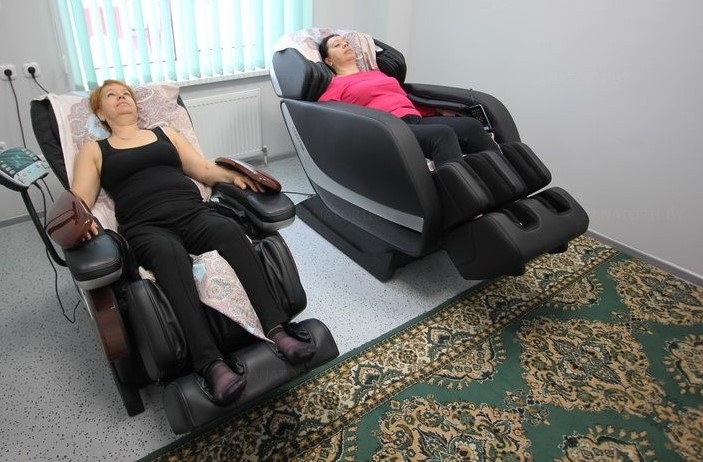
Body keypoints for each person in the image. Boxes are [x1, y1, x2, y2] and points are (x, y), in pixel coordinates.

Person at [71, 80, 316, 405]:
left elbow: (202, 169)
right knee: (168, 253)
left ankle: (277, 329)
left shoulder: (165, 133)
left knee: (228, 230)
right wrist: (82, 221)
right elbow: (80, 200)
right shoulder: (95, 150)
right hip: (145, 225)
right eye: (111, 96)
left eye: (126, 93)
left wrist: (235, 177)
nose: (121, 98)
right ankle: (210, 363)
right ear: (101, 112)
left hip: (192, 211)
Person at [318, 34, 499, 167]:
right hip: (389, 128)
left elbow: (401, 99)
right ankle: (459, 197)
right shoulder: (335, 84)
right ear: (329, 60)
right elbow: (328, 114)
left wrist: (436, 111)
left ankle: (504, 177)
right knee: (441, 134)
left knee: (470, 125)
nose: (345, 44)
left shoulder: (376, 74)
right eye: (337, 45)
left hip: (414, 119)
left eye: (346, 42)